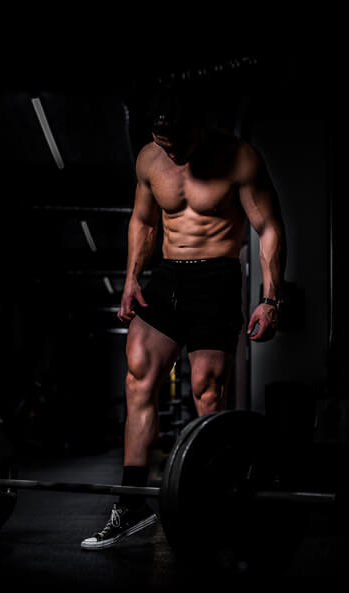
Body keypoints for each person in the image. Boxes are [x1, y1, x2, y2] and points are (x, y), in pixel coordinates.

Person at [81, 85, 286, 550]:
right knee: (138, 376)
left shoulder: (239, 158)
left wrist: (271, 299)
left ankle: (215, 501)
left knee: (207, 393)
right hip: (168, 277)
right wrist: (131, 278)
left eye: (179, 141)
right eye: (163, 141)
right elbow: (143, 221)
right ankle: (131, 505)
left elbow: (269, 226)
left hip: (217, 279)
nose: (171, 151)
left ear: (200, 125)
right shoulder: (150, 159)